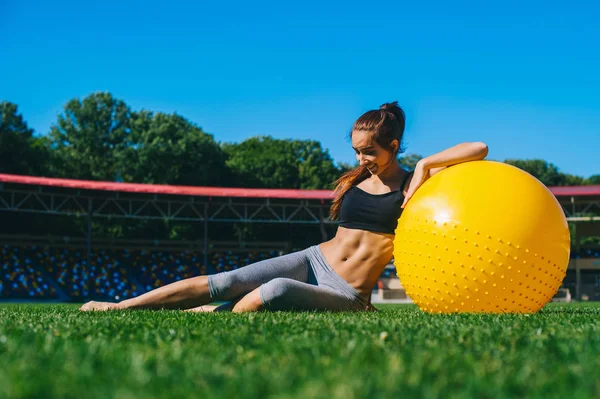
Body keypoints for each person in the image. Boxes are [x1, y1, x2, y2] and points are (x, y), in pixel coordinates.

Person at [80, 101, 488, 313]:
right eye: (356, 151)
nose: (361, 159)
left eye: (369, 152)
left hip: (348, 292)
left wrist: (425, 164)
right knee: (225, 280)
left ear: (393, 145)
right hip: (313, 259)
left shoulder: (417, 186)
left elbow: (480, 148)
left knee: (273, 291)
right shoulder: (358, 181)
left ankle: (212, 316)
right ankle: (122, 306)